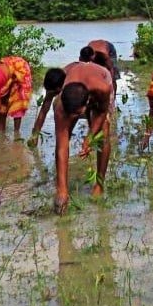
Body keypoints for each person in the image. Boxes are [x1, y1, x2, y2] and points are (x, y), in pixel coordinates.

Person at [52, 62, 114, 214]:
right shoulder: (61, 105)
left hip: (102, 78)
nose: (74, 118)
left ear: (87, 103)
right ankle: (62, 189)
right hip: (76, 91)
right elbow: (62, 146)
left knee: (103, 134)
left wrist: (89, 138)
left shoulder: (102, 89)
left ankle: (99, 184)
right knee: (63, 133)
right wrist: (62, 190)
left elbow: (101, 113)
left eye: (77, 114)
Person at [27, 67, 67, 147]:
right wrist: (35, 134)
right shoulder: (54, 84)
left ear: (59, 88)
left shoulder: (71, 86)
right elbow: (43, 111)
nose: (50, 94)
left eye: (53, 92)